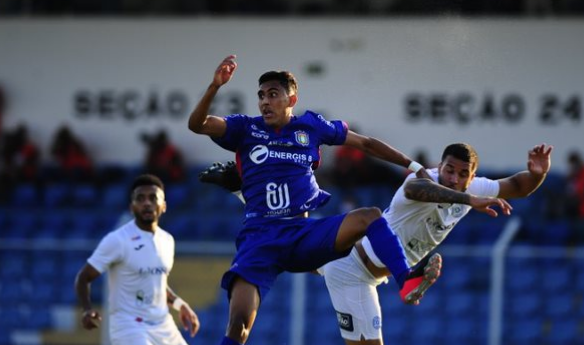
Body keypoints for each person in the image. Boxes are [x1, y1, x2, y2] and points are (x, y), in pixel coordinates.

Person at [188, 55, 495, 345]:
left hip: (300, 233)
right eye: (261, 95)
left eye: (273, 94)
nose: (265, 101)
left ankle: (407, 280)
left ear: (291, 99)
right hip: (259, 239)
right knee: (240, 325)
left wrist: (414, 167)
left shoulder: (311, 127)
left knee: (370, 216)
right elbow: (197, 125)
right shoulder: (246, 127)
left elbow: (366, 143)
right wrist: (215, 86)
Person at [201, 142, 548, 344]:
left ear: (472, 177)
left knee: (291, 230)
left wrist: (537, 173)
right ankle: (241, 186)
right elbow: (415, 190)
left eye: (461, 174)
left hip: (367, 275)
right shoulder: (422, 179)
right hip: (350, 267)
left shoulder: (474, 188)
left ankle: (239, 188)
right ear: (439, 165)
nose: (453, 177)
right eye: (449, 169)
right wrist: (468, 201)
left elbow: (517, 186)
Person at [74, 174, 200, 345]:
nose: (147, 203)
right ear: (131, 207)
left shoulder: (167, 240)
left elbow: (156, 283)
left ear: (163, 206)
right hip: (129, 326)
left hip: (163, 324)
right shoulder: (117, 240)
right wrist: (86, 310)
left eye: (153, 198)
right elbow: (84, 277)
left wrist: (180, 304)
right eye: (140, 199)